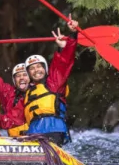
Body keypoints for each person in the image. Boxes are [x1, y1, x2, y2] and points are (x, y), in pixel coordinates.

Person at [21, 16, 80, 145]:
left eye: (39, 67)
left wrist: (72, 36)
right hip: (33, 131)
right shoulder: (27, 92)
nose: (36, 70)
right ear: (28, 74)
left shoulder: (54, 82)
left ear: (45, 69)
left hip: (53, 129)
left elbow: (64, 62)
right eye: (32, 68)